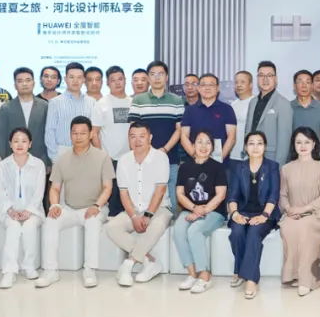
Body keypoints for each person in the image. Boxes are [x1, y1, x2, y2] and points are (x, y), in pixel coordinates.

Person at [36, 116, 114, 288]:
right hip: (70, 208)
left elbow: (108, 187)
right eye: (74, 133)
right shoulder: (62, 159)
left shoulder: (102, 157)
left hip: (96, 207)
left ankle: (89, 270)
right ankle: (50, 271)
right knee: (50, 221)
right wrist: (55, 205)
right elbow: (55, 188)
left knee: (92, 222)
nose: (78, 137)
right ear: (70, 134)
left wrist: (97, 206)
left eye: (83, 133)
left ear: (91, 134)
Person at [109, 122, 174, 286]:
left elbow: (160, 190)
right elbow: (123, 193)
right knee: (111, 227)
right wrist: (133, 216)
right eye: (133, 136)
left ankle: (128, 264)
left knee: (157, 225)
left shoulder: (160, 157)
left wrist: (148, 215)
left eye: (142, 136)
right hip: (134, 209)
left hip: (159, 208)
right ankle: (149, 261)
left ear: (150, 138)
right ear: (128, 139)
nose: (137, 140)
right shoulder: (123, 160)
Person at [280, 127, 320, 296]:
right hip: (293, 214)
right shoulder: (286, 168)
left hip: (317, 214)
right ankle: (293, 275)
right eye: (298, 142)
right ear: (294, 145)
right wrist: (289, 209)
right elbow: (283, 195)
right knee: (288, 227)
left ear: (314, 144)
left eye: (306, 142)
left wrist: (303, 209)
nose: (302, 146)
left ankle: (307, 280)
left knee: (305, 227)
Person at [226, 131, 281, 299]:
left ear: (265, 147)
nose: (255, 147)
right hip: (242, 211)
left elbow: (273, 195)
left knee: (254, 233)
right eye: (251, 143)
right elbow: (232, 195)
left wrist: (264, 215)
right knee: (236, 233)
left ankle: (250, 279)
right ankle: (240, 270)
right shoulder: (239, 167)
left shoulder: (272, 166)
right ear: (245, 147)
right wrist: (235, 213)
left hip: (265, 213)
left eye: (259, 143)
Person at [173, 130, 228, 294]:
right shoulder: (184, 167)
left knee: (194, 230)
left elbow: (221, 195)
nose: (203, 146)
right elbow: (180, 194)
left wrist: (201, 211)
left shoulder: (217, 167)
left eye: (208, 143)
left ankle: (204, 275)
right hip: (190, 208)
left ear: (212, 147)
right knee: (178, 230)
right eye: (199, 142)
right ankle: (192, 274)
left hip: (213, 211)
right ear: (193, 144)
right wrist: (193, 208)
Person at [128, 60, 185, 210]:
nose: (157, 77)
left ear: (167, 77)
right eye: (153, 74)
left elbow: (179, 130)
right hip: (144, 158)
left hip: (170, 157)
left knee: (172, 197)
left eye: (161, 74)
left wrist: (164, 149)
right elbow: (133, 131)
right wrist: (148, 152)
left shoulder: (176, 100)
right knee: (146, 196)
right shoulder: (138, 100)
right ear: (148, 78)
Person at [0, 127, 46, 289]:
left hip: (33, 211)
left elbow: (39, 192)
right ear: (10, 144)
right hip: (8, 212)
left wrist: (28, 211)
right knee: (14, 226)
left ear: (30, 144)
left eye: (24, 141)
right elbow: (0, 192)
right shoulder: (2, 166)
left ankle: (29, 266)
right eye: (16, 141)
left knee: (30, 226)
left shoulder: (38, 164)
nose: (19, 144)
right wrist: (10, 210)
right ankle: (9, 272)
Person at [94, 66, 133, 216]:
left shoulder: (133, 102)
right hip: (110, 159)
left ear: (125, 80)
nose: (117, 83)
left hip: (130, 158)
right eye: (113, 80)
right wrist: (103, 156)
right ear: (107, 83)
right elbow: (94, 133)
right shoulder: (102, 103)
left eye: (120, 79)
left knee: (129, 196)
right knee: (113, 198)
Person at [44, 62, 99, 162]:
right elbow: (50, 132)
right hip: (62, 153)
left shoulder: (92, 102)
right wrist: (55, 157)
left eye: (79, 77)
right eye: (71, 77)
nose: (75, 81)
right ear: (65, 79)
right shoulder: (55, 102)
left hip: (86, 153)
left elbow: (94, 131)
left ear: (84, 80)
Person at [0, 67, 49, 165]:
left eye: (28, 80)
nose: (24, 84)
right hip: (12, 160)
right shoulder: (6, 108)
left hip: (39, 159)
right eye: (20, 81)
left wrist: (48, 162)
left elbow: (49, 135)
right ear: (15, 85)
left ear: (33, 83)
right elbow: (1, 137)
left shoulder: (44, 106)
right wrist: (2, 162)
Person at [181, 73, 237, 161]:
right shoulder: (190, 110)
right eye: (203, 85)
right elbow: (184, 136)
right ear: (199, 88)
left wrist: (219, 159)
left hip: (220, 163)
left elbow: (231, 137)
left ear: (217, 88)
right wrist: (196, 157)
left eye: (211, 85)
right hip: (195, 162)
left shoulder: (227, 109)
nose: (207, 88)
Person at [245, 60, 293, 163]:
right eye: (261, 75)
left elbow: (284, 139)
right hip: (251, 158)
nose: (265, 79)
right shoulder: (253, 102)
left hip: (271, 159)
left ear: (276, 79)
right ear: (257, 79)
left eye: (269, 75)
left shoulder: (283, 103)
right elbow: (248, 130)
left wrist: (278, 166)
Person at [290, 69, 320, 158]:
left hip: (316, 157)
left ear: (312, 86)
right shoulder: (288, 107)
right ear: (294, 86)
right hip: (294, 158)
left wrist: (315, 149)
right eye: (300, 82)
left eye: (308, 82)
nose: (304, 86)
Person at [230, 70, 254, 162]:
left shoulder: (255, 103)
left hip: (249, 156)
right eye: (236, 82)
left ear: (251, 85)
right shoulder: (233, 105)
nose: (239, 85)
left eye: (242, 82)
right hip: (232, 154)